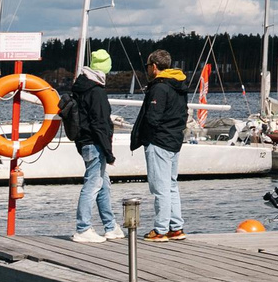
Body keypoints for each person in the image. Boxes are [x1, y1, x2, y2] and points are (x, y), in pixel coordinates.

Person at [130, 49, 189, 241]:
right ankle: (176, 227)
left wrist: (146, 139)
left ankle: (161, 229)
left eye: (147, 66)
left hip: (159, 142)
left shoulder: (159, 87)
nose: (147, 70)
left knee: (160, 187)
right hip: (174, 141)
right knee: (171, 185)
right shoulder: (178, 85)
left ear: (154, 66)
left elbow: (152, 118)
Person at [69, 50, 119, 243]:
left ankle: (110, 226)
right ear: (104, 68)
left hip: (83, 142)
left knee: (103, 184)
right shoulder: (96, 92)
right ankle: (83, 228)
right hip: (94, 144)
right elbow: (100, 124)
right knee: (92, 185)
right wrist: (109, 152)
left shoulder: (81, 87)